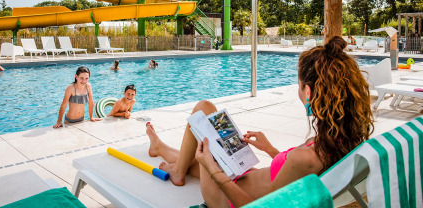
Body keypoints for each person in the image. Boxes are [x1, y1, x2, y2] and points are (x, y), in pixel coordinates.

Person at [145, 36, 374, 207]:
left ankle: (175, 169)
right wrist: (270, 149)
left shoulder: (307, 157)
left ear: (308, 92)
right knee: (201, 155)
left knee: (202, 111)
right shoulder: (340, 139)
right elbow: (296, 175)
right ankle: (163, 150)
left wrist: (214, 170)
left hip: (227, 198)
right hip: (247, 179)